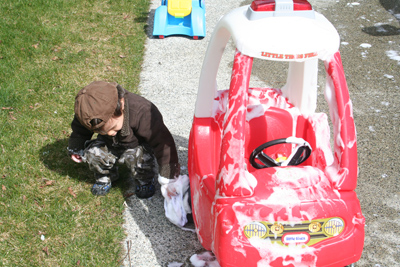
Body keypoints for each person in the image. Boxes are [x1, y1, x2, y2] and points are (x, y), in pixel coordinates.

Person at [67, 81, 181, 199]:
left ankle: (144, 181)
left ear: (121, 105)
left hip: (136, 145)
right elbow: (80, 129)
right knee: (92, 152)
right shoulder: (90, 112)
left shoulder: (143, 111)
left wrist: (168, 175)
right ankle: (106, 177)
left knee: (140, 159)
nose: (110, 133)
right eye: (101, 132)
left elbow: (163, 143)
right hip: (109, 144)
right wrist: (77, 146)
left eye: (112, 128)